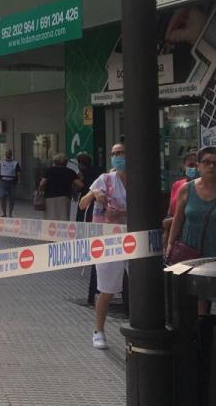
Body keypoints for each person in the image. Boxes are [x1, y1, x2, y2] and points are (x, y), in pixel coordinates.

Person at [78, 143, 129, 349]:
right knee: (106, 289)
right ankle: (99, 330)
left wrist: (122, 214)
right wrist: (94, 194)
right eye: (114, 153)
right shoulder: (105, 179)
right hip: (109, 241)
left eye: (121, 153)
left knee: (141, 286)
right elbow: (83, 204)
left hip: (136, 239)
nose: (117, 157)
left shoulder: (142, 178)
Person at [170, 147, 216, 316]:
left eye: (215, 163)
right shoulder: (186, 189)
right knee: (196, 304)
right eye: (206, 162)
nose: (211, 166)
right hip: (192, 251)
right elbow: (178, 219)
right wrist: (170, 244)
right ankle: (200, 339)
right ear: (198, 165)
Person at [163, 152, 198, 246]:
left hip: (192, 236)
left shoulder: (201, 187)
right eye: (190, 165)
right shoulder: (177, 185)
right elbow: (170, 212)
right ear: (184, 167)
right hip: (175, 237)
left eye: (196, 165)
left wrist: (170, 221)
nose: (194, 168)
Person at [37, 154, 82, 221]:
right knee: (63, 217)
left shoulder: (49, 171)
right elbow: (80, 185)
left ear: (54, 162)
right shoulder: (70, 172)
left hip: (49, 197)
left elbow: (42, 183)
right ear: (66, 162)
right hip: (64, 197)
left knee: (49, 218)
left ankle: (50, 230)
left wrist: (39, 191)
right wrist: (74, 189)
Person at [75, 153, 101, 222]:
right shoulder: (96, 170)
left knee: (82, 216)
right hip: (95, 197)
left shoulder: (80, 173)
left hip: (85, 196)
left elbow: (81, 186)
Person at [0, 149, 21, 218]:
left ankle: (10, 213)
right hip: (3, 181)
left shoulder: (15, 163)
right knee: (2, 196)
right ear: (5, 154)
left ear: (11, 154)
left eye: (9, 153)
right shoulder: (1, 162)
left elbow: (18, 173)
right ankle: (4, 213)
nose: (8, 155)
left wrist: (18, 181)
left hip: (12, 181)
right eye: (7, 153)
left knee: (12, 198)